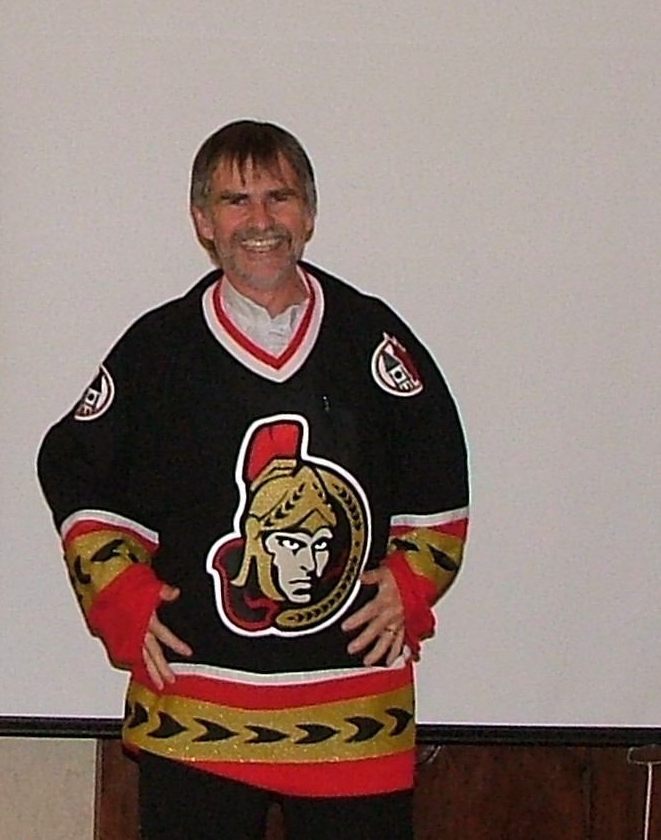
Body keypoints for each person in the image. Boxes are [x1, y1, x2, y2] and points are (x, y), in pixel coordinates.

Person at [37, 119, 469, 840]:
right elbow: (73, 463)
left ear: (309, 212)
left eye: (279, 197)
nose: (260, 221)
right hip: (192, 717)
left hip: (353, 723)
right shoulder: (160, 347)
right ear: (203, 220)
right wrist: (118, 593)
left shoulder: (370, 337)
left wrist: (412, 580)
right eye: (236, 201)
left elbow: (439, 472)